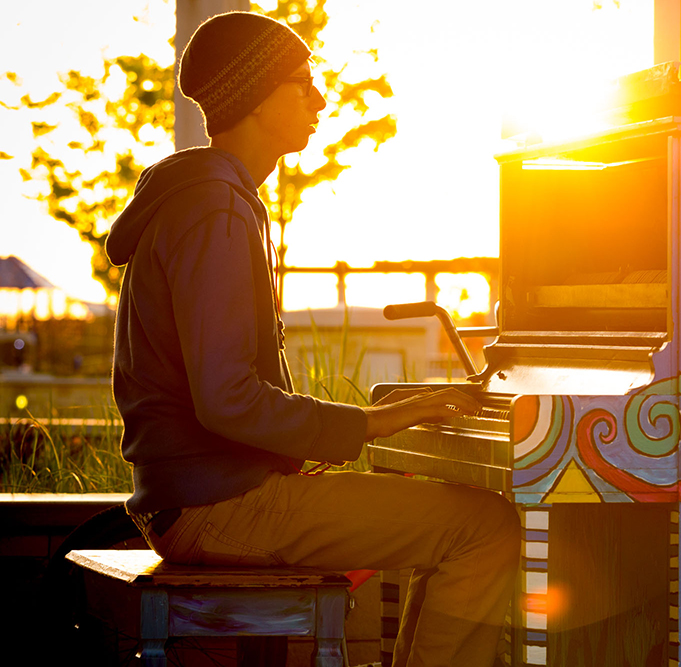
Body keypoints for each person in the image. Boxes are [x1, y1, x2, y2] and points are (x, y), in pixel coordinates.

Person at [105, 11, 520, 667]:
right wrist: (380, 419)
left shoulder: (213, 197)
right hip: (219, 507)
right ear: (258, 95)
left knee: (448, 521)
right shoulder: (214, 207)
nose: (321, 98)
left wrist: (294, 453)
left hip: (207, 494)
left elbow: (226, 396)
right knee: (486, 525)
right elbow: (228, 398)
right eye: (303, 82)